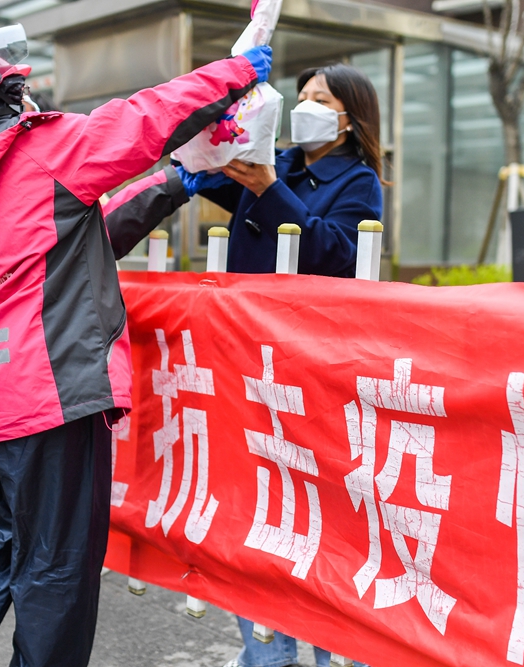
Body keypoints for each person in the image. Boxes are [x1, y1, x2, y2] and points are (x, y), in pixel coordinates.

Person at [0, 23, 272, 667]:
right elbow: (142, 118)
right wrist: (232, 74)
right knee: (56, 569)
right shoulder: (38, 150)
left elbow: (80, 231)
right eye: (13, 82)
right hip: (50, 393)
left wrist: (179, 180)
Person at [104, 63, 386, 667]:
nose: (305, 107)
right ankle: (266, 652)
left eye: (321, 100)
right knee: (254, 504)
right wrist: (221, 114)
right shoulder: (275, 161)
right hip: (244, 359)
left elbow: (334, 253)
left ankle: (334, 649)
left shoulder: (358, 183)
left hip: (311, 366)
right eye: (301, 96)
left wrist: (266, 188)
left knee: (316, 510)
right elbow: (203, 169)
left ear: (350, 119)